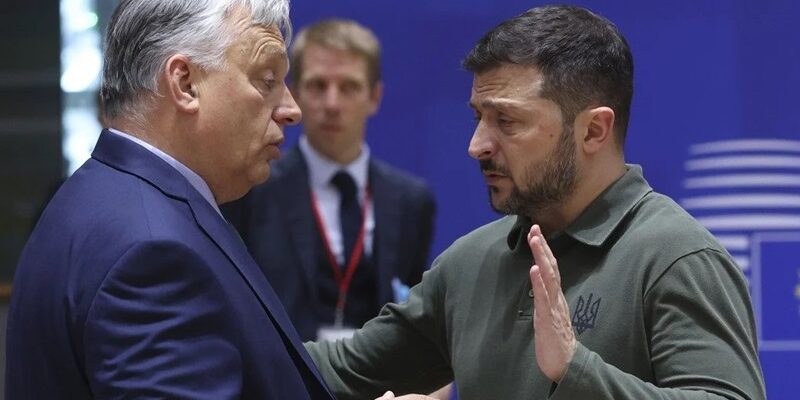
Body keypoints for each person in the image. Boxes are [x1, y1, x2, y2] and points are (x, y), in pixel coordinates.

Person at [305, 5, 766, 400]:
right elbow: (334, 371)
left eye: (506, 120)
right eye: (478, 117)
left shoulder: (676, 257)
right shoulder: (468, 264)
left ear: (593, 131)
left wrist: (575, 369)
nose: (476, 145)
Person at [5, 0, 333, 398]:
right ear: (185, 83)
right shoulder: (152, 251)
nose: (291, 109)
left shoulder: (103, 195)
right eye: (266, 80)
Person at [224, 18, 436, 342]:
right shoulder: (252, 188)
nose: (332, 104)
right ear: (295, 93)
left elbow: (413, 317)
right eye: (318, 86)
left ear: (374, 97)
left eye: (349, 87)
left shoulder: (411, 201)